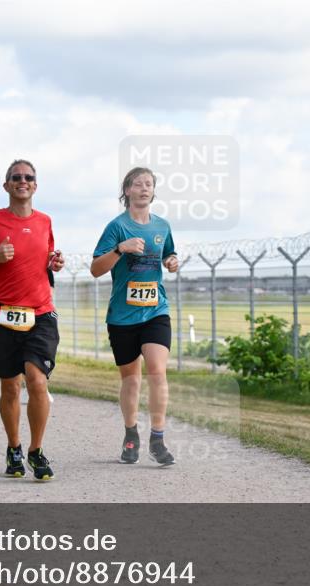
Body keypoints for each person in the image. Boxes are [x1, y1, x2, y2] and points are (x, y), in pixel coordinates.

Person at [0, 159, 64, 481]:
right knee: (10, 387)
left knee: (37, 380)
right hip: (2, 314)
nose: (23, 181)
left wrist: (54, 261)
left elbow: (44, 259)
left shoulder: (45, 221)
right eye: (16, 177)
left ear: (36, 185)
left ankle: (36, 451)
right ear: (6, 185)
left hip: (40, 313)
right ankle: (14, 447)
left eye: (29, 177)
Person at [90, 166, 178, 466]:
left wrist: (171, 260)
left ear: (154, 191)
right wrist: (120, 249)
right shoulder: (117, 227)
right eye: (138, 184)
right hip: (123, 316)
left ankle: (157, 437)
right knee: (132, 381)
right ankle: (131, 434)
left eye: (149, 184)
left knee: (157, 371)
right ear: (127, 190)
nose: (144, 188)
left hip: (156, 311)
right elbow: (96, 269)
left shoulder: (162, 226)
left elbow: (167, 253)